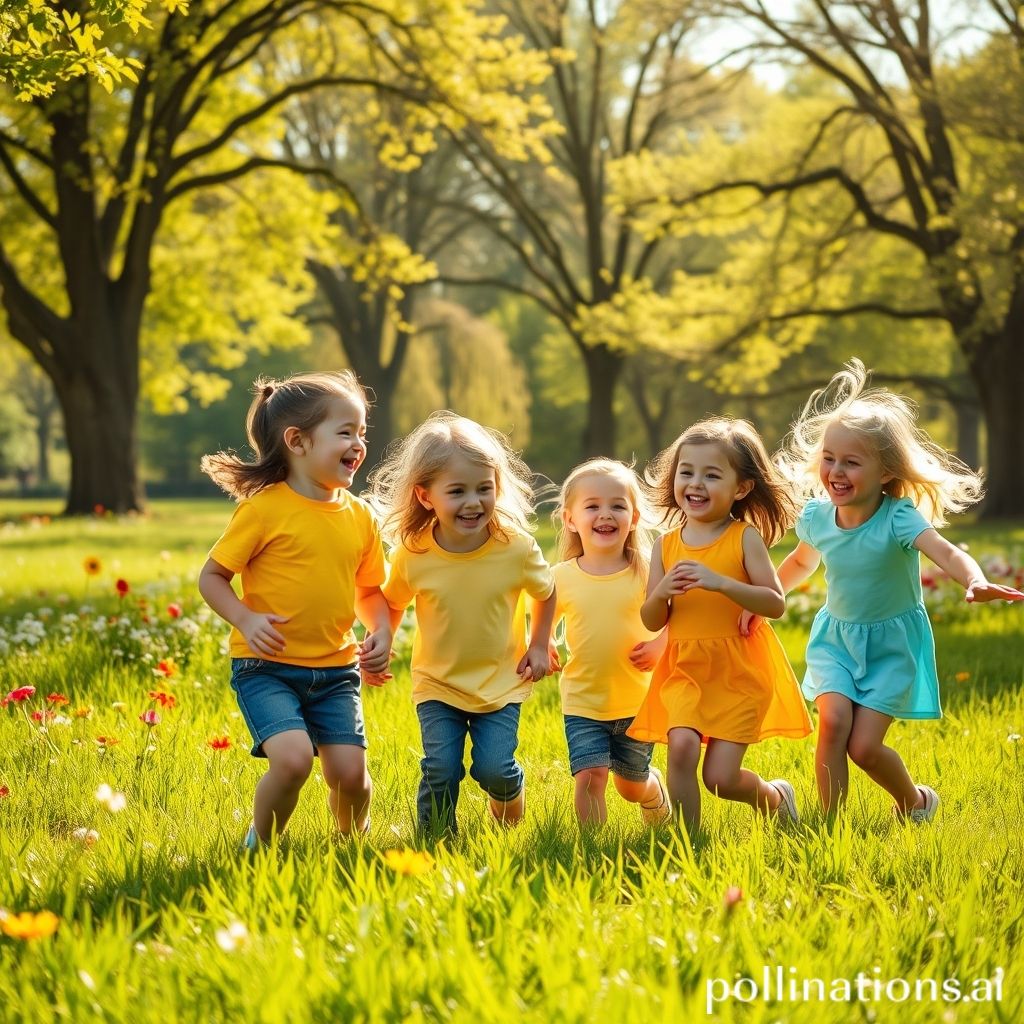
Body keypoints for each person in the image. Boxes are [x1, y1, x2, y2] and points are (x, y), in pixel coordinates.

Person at [769, 360, 1023, 820]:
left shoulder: (898, 517)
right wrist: (765, 597)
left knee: (864, 747)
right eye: (829, 458)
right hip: (837, 640)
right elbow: (801, 562)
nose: (836, 471)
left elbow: (946, 554)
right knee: (832, 723)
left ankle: (915, 801)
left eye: (852, 461)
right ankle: (830, 828)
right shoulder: (817, 517)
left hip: (891, 644)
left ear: (886, 472)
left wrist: (976, 580)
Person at [198, 371, 392, 849]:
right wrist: (245, 618)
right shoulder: (265, 510)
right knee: (292, 760)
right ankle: (259, 844)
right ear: (297, 441)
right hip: (267, 668)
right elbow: (212, 577)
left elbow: (369, 590)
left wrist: (381, 631)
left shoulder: (360, 515)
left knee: (351, 776)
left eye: (362, 432)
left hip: (335, 669)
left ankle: (350, 844)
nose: (359, 443)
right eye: (346, 432)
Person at [370, 412, 556, 834]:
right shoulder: (414, 553)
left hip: (501, 682)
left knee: (495, 770)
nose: (473, 502)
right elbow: (391, 601)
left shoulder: (516, 548)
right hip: (438, 683)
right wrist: (380, 640)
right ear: (424, 495)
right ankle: (435, 839)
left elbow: (546, 593)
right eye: (457, 491)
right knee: (440, 768)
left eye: (484, 489)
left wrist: (540, 644)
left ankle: (507, 820)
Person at [628, 418, 812, 832]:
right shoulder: (666, 544)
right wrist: (661, 594)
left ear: (741, 488)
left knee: (720, 780)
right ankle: (687, 837)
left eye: (712, 475)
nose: (695, 483)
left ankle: (774, 797)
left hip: (738, 670)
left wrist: (723, 584)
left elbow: (775, 602)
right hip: (685, 668)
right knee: (680, 747)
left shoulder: (743, 537)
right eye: (686, 472)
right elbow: (652, 619)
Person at [549, 458, 671, 827]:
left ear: (633, 517)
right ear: (571, 519)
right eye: (593, 506)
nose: (606, 514)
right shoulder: (560, 578)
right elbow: (542, 624)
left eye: (618, 505)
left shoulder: (647, 570)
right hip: (583, 699)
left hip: (635, 700)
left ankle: (654, 790)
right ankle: (592, 852)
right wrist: (540, 644)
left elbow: (678, 617)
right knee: (590, 779)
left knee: (630, 786)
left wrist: (660, 645)